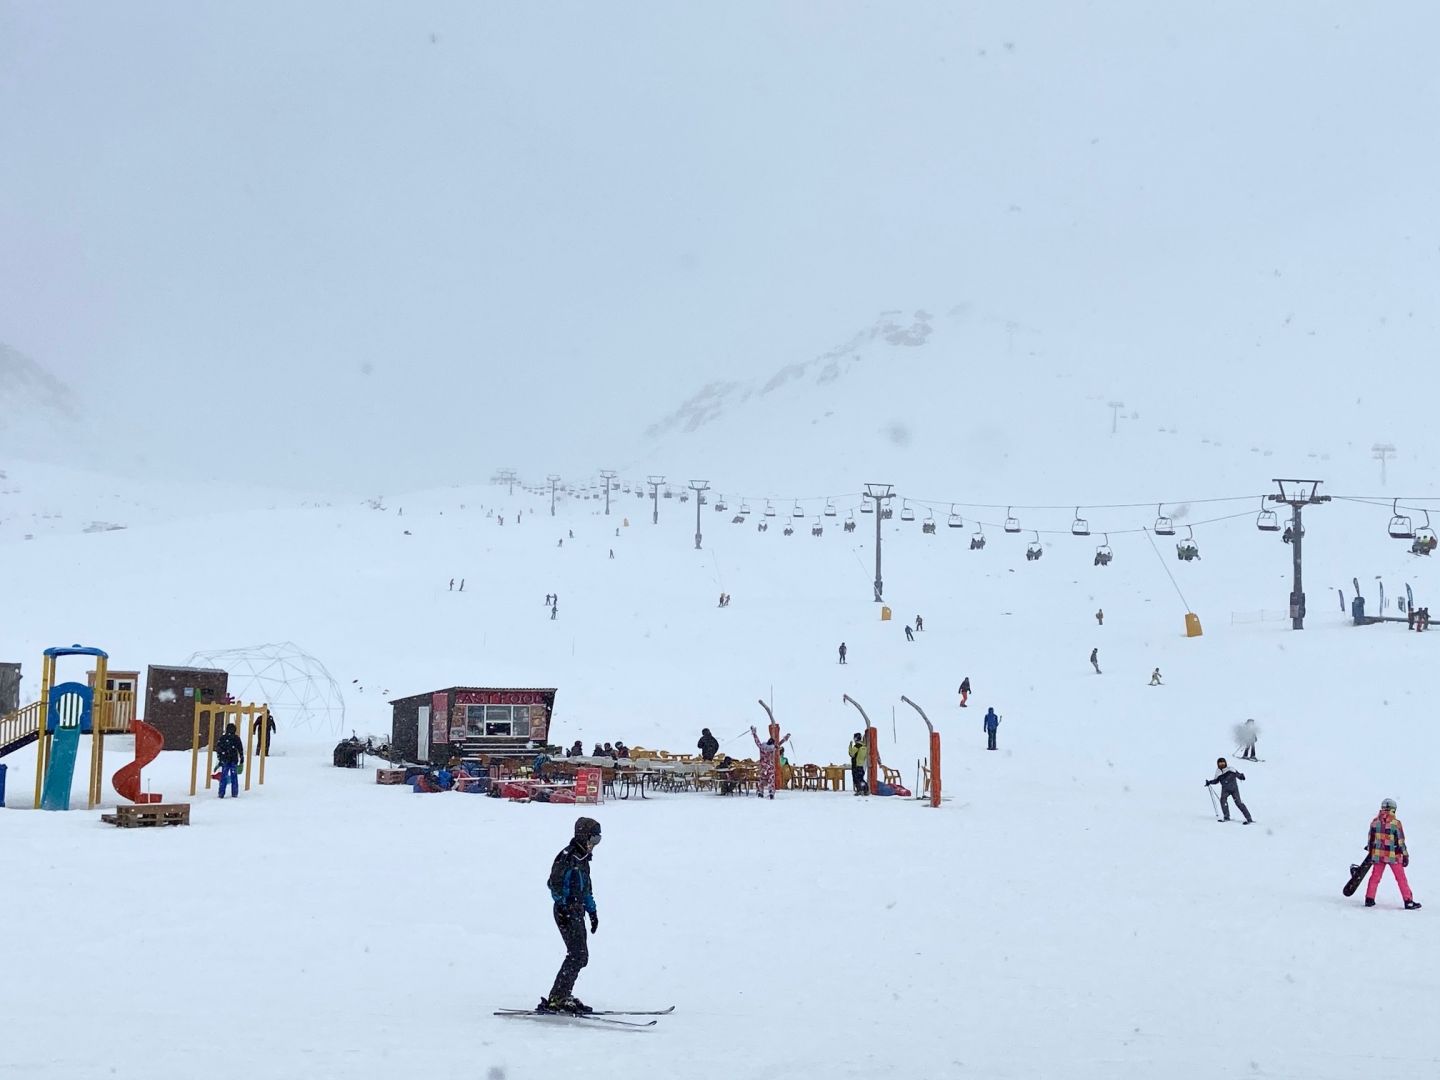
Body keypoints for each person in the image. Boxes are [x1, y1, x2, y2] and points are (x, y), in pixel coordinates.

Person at [540, 816, 602, 1014]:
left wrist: (592, 912)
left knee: (580, 956)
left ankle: (562, 994)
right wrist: (564, 903)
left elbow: (586, 889)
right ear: (583, 837)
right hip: (565, 912)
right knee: (578, 955)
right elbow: (553, 884)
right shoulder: (567, 857)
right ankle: (558, 997)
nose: (595, 845)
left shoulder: (583, 859)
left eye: (598, 840)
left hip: (577, 912)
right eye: (593, 840)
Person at [1364, 798, 1421, 909]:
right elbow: (1400, 841)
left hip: (1378, 855)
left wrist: (1371, 852)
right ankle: (1408, 901)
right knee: (1401, 879)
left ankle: (1369, 899)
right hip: (1393, 856)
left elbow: (1371, 839)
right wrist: (1405, 855)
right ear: (1393, 809)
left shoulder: (1375, 822)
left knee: (1375, 877)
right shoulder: (1396, 824)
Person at [1204, 757, 1253, 824]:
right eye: (1220, 763)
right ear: (1218, 764)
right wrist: (1209, 782)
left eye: (1223, 763)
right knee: (1223, 800)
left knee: (1238, 803)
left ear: (1225, 763)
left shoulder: (1230, 769)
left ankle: (1249, 818)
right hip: (1225, 790)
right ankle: (1226, 817)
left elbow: (1238, 774)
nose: (1222, 764)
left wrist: (1241, 776)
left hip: (1234, 789)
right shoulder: (1218, 772)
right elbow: (1216, 781)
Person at [749, 726, 786, 799]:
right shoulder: (772, 749)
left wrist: (754, 733)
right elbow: (779, 744)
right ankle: (771, 793)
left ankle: (760, 792)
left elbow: (757, 741)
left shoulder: (762, 747)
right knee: (771, 780)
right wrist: (785, 739)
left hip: (763, 766)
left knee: (762, 780)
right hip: (770, 767)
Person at [214, 722, 244, 798]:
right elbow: (240, 748)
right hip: (233, 759)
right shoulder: (236, 738)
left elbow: (218, 749)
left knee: (223, 776)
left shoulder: (223, 738)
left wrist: (220, 758)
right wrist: (241, 757)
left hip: (225, 759)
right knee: (234, 776)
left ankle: (221, 793)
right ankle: (234, 793)